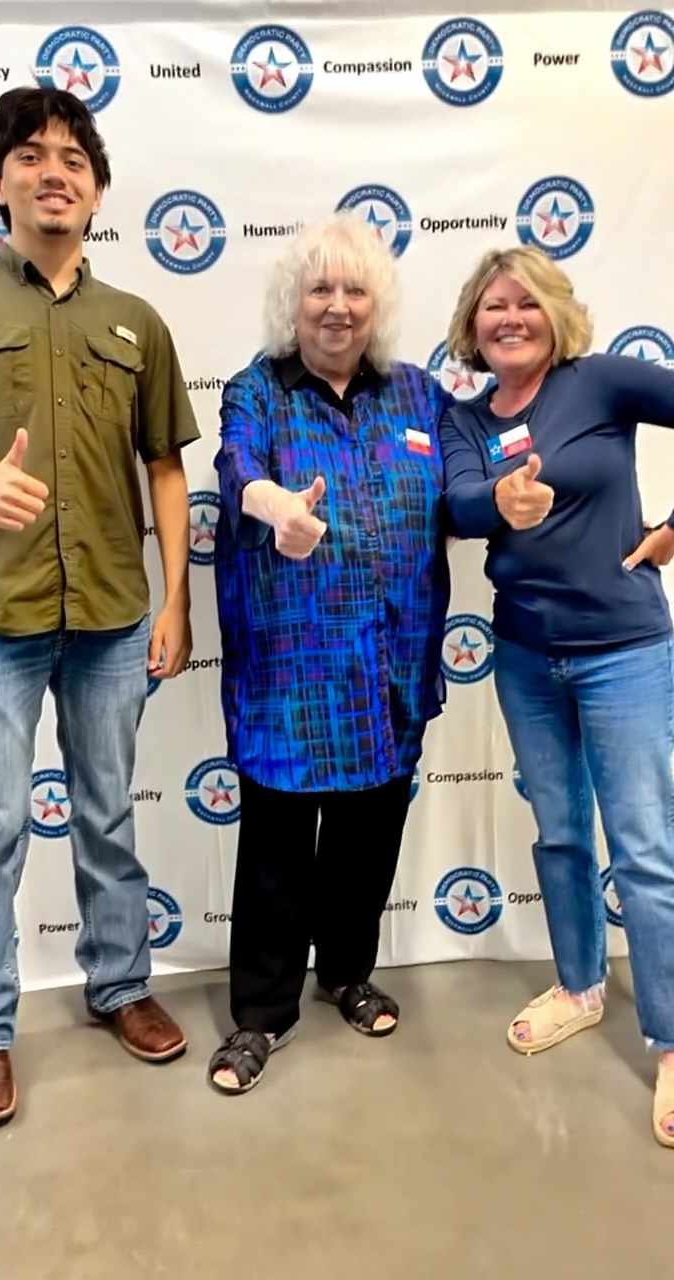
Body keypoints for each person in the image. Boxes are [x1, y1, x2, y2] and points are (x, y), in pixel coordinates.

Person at [0, 86, 199, 1129]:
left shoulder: (135, 321)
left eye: (75, 159)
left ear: (97, 192)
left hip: (110, 614)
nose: (55, 171)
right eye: (32, 155)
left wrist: (175, 600)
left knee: (106, 812)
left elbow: (166, 468)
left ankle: (121, 983)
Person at [208, 213, 450, 1094]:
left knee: (368, 835)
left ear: (375, 305)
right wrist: (276, 506)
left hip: (391, 664)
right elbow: (237, 466)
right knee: (277, 846)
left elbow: (469, 481)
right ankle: (261, 1014)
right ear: (294, 302)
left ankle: (347, 972)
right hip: (293, 675)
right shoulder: (259, 390)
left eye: (354, 290)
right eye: (320, 289)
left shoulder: (419, 394)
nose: (337, 306)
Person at [441, 244, 674, 1147]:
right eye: (494, 306)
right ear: (473, 324)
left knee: (644, 848)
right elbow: (459, 503)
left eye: (527, 303)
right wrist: (502, 500)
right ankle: (580, 986)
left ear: (555, 314)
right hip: (526, 657)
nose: (511, 318)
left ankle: (670, 1038)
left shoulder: (601, 382)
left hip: (624, 653)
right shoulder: (466, 419)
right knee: (563, 832)